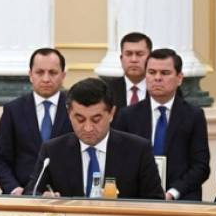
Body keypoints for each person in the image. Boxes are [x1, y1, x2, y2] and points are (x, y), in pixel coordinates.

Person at [26, 77, 163, 199]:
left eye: (96, 120)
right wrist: (43, 198)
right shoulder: (53, 151)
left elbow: (156, 201)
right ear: (69, 113)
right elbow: (31, 193)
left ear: (111, 113)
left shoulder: (138, 150)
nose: (88, 128)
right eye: (80, 119)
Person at [115, 48, 210, 201]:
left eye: (165, 73)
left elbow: (201, 166)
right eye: (152, 72)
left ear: (179, 78)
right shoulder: (127, 115)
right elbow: (118, 161)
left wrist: (173, 193)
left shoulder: (194, 115)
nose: (157, 78)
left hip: (181, 197)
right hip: (137, 198)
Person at [0, 48, 72, 194]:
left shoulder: (74, 109)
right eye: (40, 72)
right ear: (30, 75)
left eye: (53, 73)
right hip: (23, 196)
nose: (46, 79)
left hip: (64, 197)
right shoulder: (13, 110)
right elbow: (1, 160)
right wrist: (14, 189)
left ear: (63, 75)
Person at [107, 32, 152, 109]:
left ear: (150, 59)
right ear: (121, 59)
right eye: (129, 54)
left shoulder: (161, 88)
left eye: (139, 54)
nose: (134, 60)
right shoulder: (107, 90)